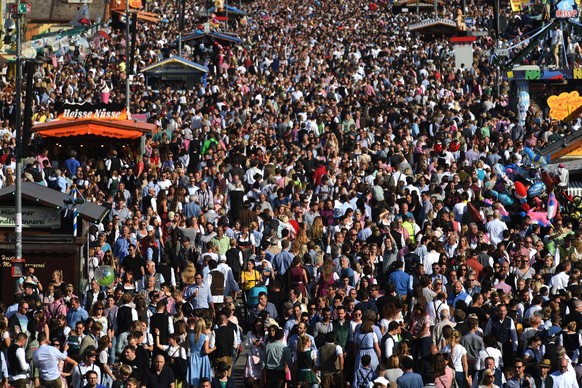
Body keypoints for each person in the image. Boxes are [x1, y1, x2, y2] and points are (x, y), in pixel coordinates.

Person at [186, 318, 214, 387]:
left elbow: (187, 347)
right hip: (202, 358)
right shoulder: (205, 337)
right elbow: (206, 351)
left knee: (193, 377)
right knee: (203, 376)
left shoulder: (190, 335)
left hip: (192, 357)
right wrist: (214, 348)